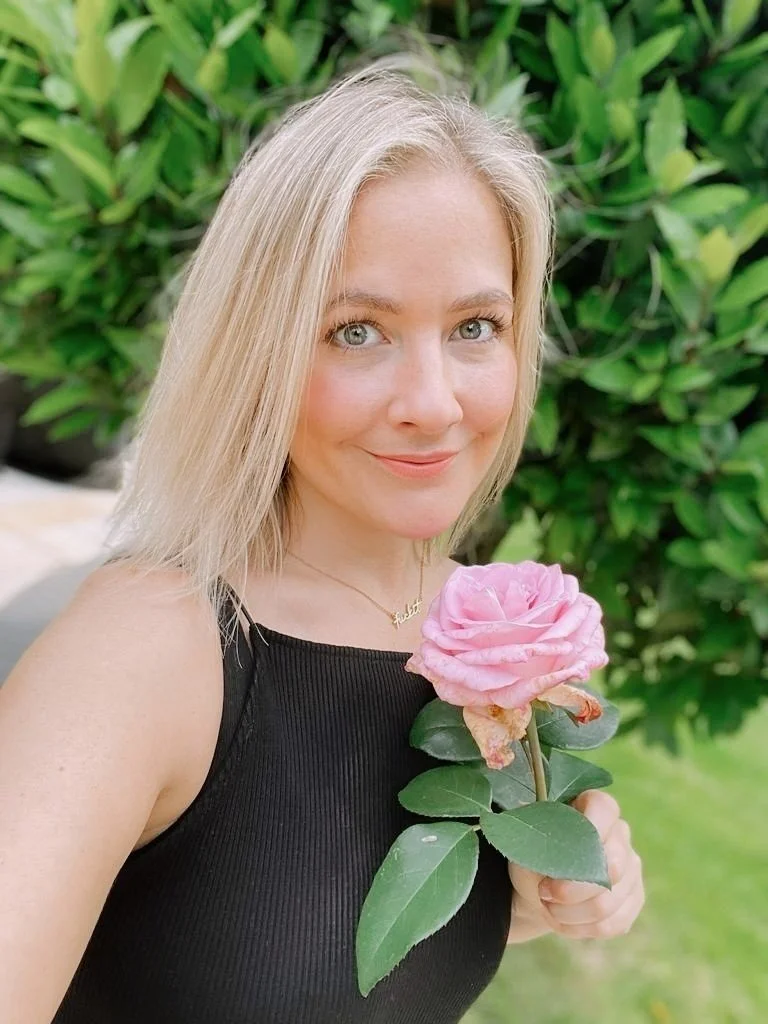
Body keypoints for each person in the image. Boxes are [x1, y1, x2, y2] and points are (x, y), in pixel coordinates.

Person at [0, 60, 644, 1024]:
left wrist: (547, 891)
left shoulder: (493, 644)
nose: (433, 403)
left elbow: (279, 944)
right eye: (356, 332)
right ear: (257, 349)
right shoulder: (147, 649)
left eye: (475, 325)